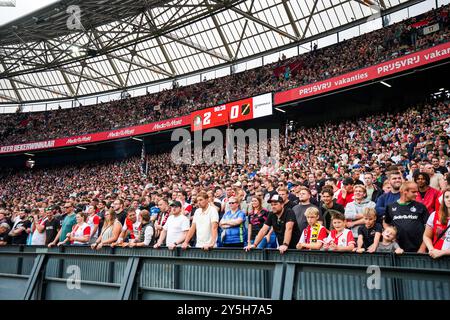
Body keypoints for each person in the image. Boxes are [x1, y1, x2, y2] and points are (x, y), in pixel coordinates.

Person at [383, 181, 428, 253]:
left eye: (417, 192)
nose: (417, 194)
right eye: (413, 192)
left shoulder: (421, 207)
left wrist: (423, 247)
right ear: (405, 191)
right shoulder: (390, 207)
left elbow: (429, 230)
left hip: (418, 248)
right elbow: (386, 223)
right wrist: (390, 234)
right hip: (397, 249)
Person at [423, 189, 450, 259]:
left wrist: (443, 252)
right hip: (437, 259)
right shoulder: (434, 215)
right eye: (447, 197)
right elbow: (426, 236)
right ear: (443, 200)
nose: (449, 199)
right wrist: (431, 249)